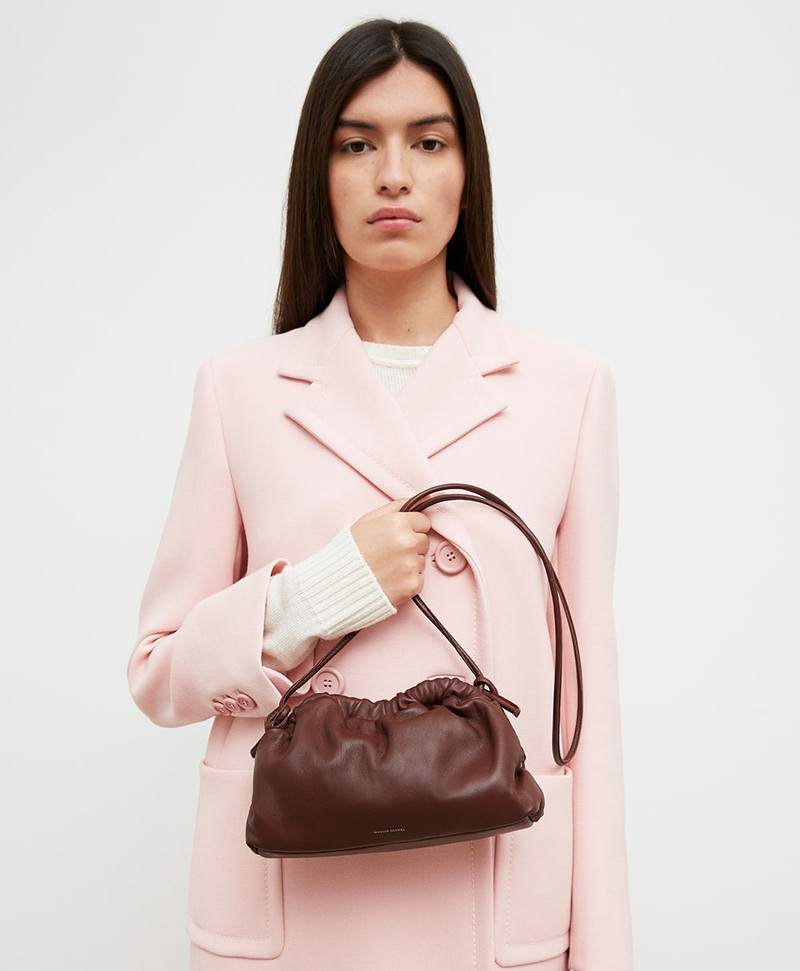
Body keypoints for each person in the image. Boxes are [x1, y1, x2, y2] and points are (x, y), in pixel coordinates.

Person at [129, 18, 633, 971]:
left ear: (468, 174)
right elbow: (157, 674)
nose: (393, 175)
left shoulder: (568, 389)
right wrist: (313, 597)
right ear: (317, 179)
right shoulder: (238, 390)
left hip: (494, 915)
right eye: (357, 145)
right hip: (288, 918)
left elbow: (586, 708)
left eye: (428, 142)